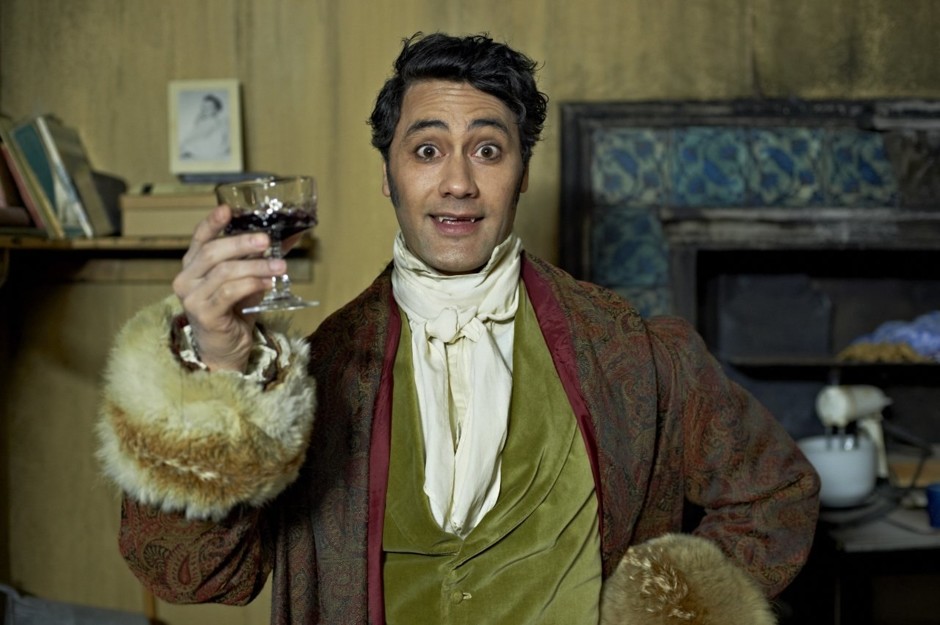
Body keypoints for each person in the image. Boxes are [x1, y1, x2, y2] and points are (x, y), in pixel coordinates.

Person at [98, 32, 819, 625]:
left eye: (487, 149)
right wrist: (219, 372)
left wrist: (668, 613)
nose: (457, 183)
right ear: (388, 175)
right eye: (426, 150)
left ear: (522, 172)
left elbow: (776, 494)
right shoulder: (312, 375)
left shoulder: (636, 353)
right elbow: (191, 574)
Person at [178, 93, 231, 161]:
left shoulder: (212, 121)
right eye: (203, 106)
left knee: (186, 146)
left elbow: (196, 135)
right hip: (215, 148)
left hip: (211, 149)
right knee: (186, 146)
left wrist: (183, 143)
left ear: (216, 109)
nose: (205, 109)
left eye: (209, 107)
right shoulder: (211, 120)